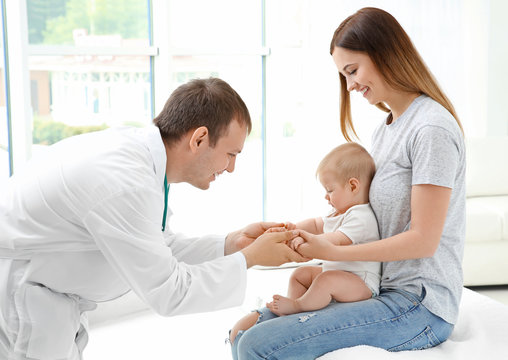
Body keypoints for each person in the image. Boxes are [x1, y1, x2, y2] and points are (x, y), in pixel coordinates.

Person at [0, 77, 307, 360]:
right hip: (26, 295)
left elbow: (158, 245)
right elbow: (169, 292)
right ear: (199, 138)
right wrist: (249, 258)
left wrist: (233, 245)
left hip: (49, 295)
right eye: (231, 154)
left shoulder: (142, 162)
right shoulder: (125, 181)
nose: (231, 168)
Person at [230, 7, 466, 359]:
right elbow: (360, 215)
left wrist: (334, 252)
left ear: (385, 52)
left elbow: (424, 240)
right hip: (377, 291)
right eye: (344, 75)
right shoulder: (385, 130)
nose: (351, 84)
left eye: (352, 71)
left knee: (257, 345)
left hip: (419, 305)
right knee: (245, 331)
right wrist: (295, 232)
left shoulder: (430, 128)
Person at [263, 143, 380, 317]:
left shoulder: (361, 216)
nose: (326, 196)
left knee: (326, 280)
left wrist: (305, 239)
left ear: (353, 186)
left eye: (330, 190)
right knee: (301, 275)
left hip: (361, 283)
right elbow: (317, 225)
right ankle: (289, 314)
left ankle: (297, 306)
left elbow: (337, 239)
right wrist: (292, 230)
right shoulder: (339, 213)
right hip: (339, 274)